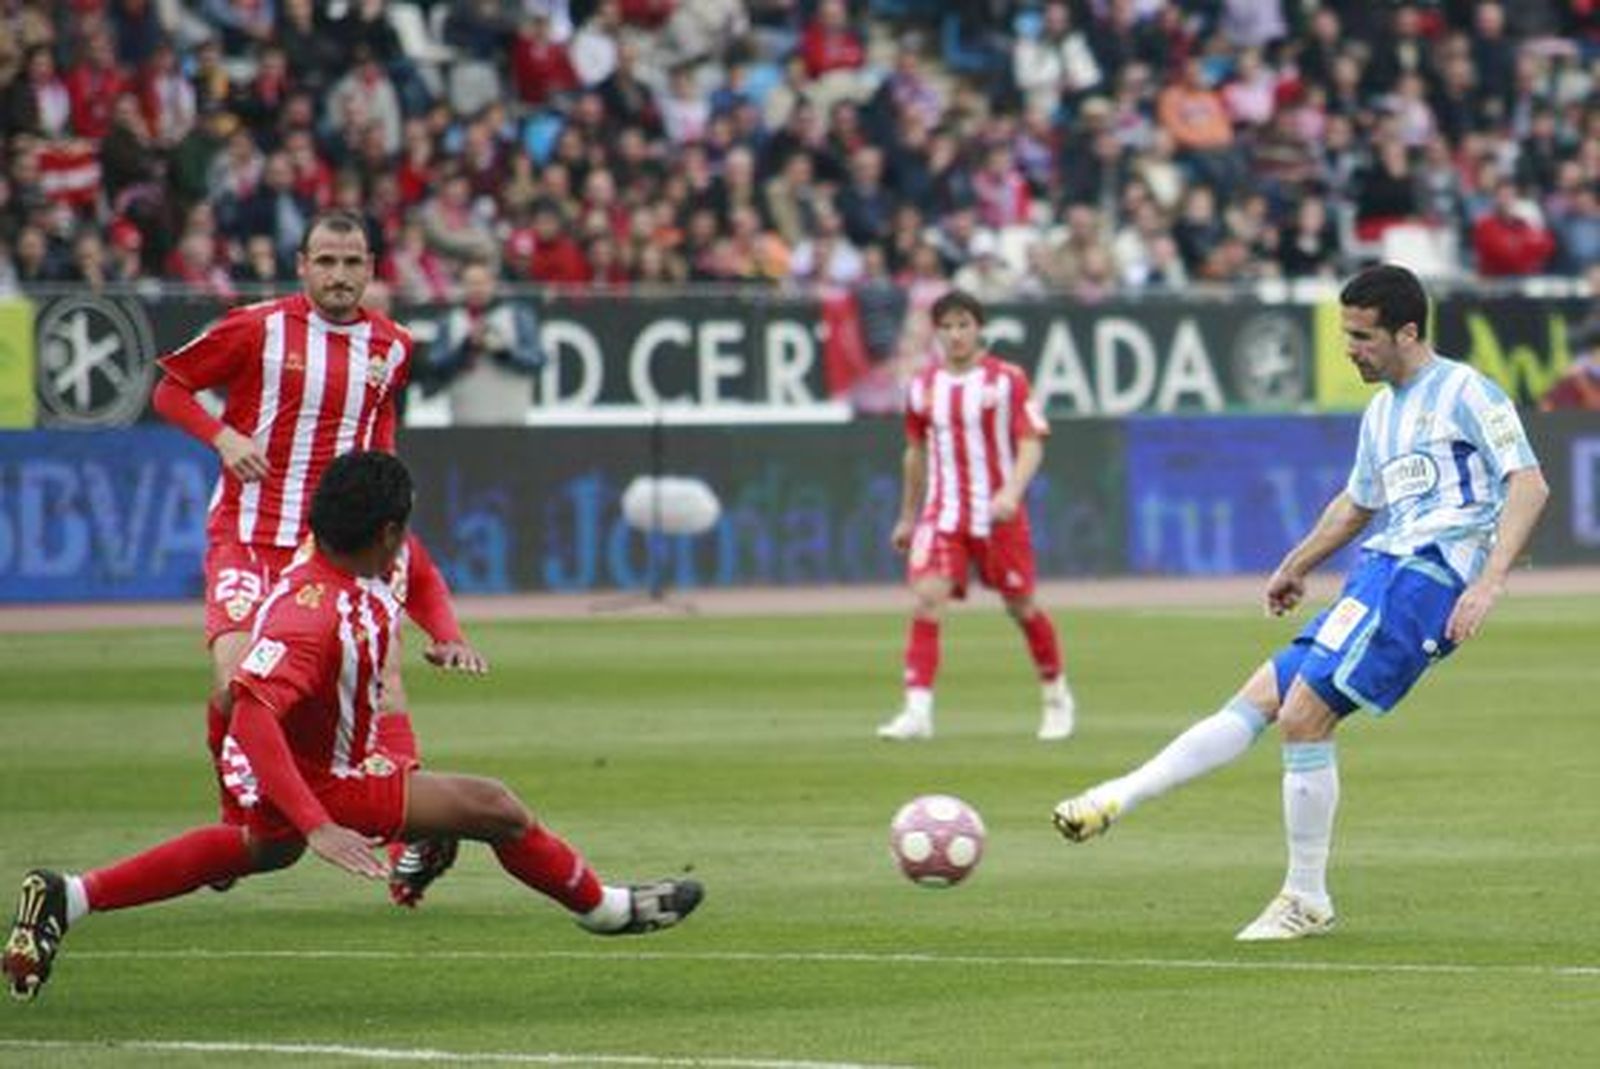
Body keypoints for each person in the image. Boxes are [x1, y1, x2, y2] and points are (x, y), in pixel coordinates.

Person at [2, 451, 704, 1002]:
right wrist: (317, 823)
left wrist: (446, 635)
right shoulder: (313, 615)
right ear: (386, 532)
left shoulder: (348, 556)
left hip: (313, 751)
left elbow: (420, 574)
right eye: (405, 527)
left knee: (261, 850)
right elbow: (251, 713)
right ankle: (605, 909)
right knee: (496, 808)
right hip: (309, 768)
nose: (409, 541)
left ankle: (71, 894)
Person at [1052, 265, 1550, 940]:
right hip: (1377, 573)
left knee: (1305, 715)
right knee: (1261, 696)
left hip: (1426, 576)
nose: (1350, 349)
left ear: (1407, 332)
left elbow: (1529, 482)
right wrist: (1296, 563)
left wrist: (1488, 581)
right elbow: (1357, 504)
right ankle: (1116, 797)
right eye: (1347, 334)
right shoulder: (1382, 413)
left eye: (1363, 336)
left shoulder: (1466, 390)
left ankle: (1306, 896)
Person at [149, 208, 485, 907]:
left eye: (352, 262)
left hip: (334, 543)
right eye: (326, 261)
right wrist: (222, 437)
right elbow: (170, 389)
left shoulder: (392, 346)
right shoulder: (255, 327)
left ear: (371, 269)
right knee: (235, 684)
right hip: (250, 534)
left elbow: (379, 428)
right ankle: (236, 821)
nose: (339, 275)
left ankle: (408, 833)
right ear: (302, 265)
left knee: (383, 682)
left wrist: (386, 493)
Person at [877, 289, 1077, 743]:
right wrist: (907, 517)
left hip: (997, 516)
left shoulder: (1006, 380)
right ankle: (917, 710)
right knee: (927, 598)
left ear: (979, 327)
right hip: (943, 514)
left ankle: (1056, 695)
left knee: (1021, 606)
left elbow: (1031, 441)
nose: (955, 335)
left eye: (963, 324)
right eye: (946, 327)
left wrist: (1011, 491)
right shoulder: (922, 386)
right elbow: (915, 452)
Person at [421, 259, 545, 425]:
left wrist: (504, 353)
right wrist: (466, 348)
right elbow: (436, 366)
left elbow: (536, 360)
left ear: (493, 284)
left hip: (511, 415)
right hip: (465, 416)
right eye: (471, 283)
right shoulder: (451, 320)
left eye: (482, 283)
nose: (477, 289)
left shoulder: (517, 316)